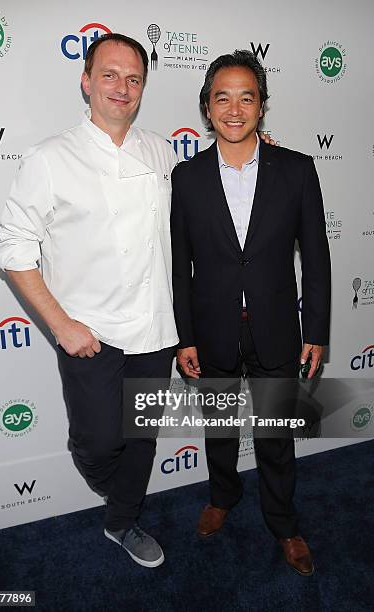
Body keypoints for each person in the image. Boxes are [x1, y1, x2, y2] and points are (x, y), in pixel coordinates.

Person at [0, 33, 179, 568]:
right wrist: (61, 325)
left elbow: (205, 200)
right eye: (110, 75)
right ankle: (117, 494)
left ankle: (121, 521)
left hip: (155, 329)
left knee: (142, 437)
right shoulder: (50, 158)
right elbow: (12, 247)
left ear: (143, 88)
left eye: (134, 78)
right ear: (86, 81)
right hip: (90, 334)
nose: (122, 87)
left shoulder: (161, 150)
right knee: (99, 444)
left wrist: (259, 153)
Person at [171, 50, 331, 576]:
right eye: (223, 97)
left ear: (261, 106)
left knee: (275, 434)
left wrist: (318, 330)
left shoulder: (298, 169)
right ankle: (222, 497)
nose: (234, 108)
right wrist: (184, 336)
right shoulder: (186, 177)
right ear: (207, 107)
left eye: (247, 96)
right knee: (218, 426)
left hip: (277, 328)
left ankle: (284, 525)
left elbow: (317, 257)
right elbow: (180, 264)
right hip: (211, 329)